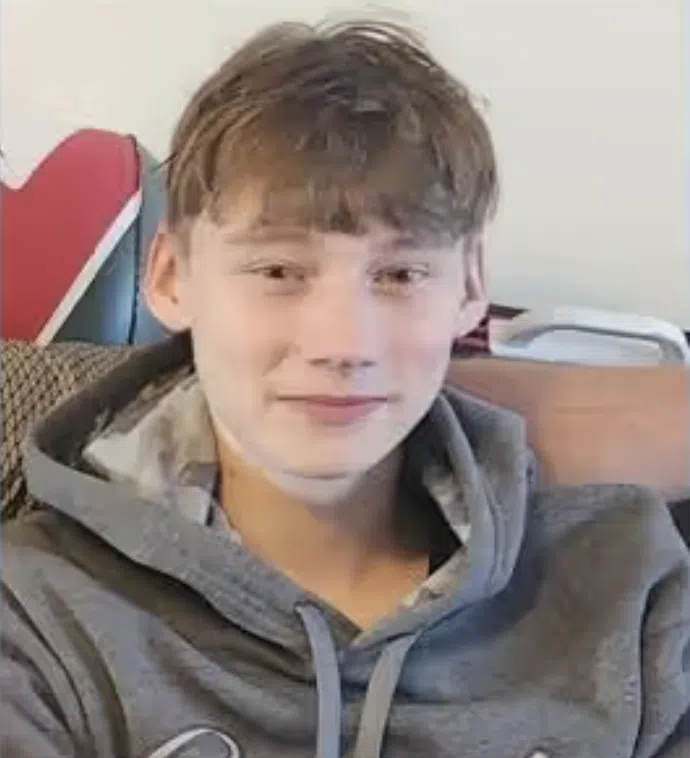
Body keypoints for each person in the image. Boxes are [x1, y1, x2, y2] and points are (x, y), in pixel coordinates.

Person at [2, 19, 688, 758]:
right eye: (278, 271)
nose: (343, 345)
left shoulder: (629, 591)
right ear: (171, 277)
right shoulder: (38, 618)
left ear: (469, 288)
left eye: (399, 274)